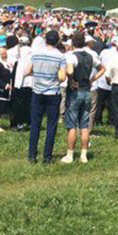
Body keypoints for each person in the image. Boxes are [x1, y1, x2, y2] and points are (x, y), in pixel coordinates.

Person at [26, 29, 65, 164]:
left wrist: (37, 74)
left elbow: (27, 71)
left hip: (37, 92)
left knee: (35, 124)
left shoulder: (36, 54)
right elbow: (62, 77)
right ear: (57, 41)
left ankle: (32, 155)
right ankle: (47, 156)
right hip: (53, 93)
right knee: (51, 125)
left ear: (45, 40)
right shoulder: (60, 56)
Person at [61, 31, 96, 163]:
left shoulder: (71, 56)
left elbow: (70, 70)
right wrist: (92, 79)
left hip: (75, 92)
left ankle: (70, 154)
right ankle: (84, 155)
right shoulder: (90, 56)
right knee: (84, 125)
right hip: (87, 91)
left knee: (71, 125)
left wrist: (70, 79)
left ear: (72, 42)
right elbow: (102, 68)